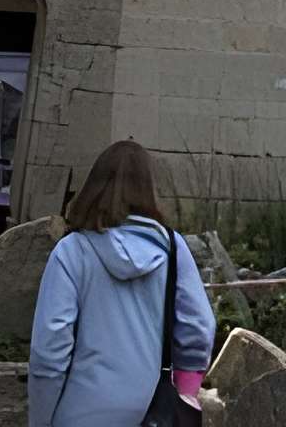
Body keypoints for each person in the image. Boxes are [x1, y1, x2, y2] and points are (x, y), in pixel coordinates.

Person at [29, 142, 214, 427]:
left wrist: (40, 419)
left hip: (78, 412)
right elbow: (199, 328)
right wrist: (185, 392)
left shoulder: (72, 251)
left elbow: (50, 349)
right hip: (152, 411)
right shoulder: (173, 249)